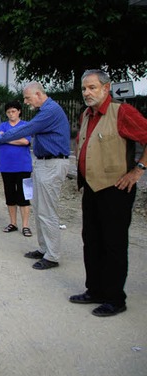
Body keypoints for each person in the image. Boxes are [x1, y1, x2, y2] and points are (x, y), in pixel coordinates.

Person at [68, 69, 147, 317]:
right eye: (84, 88)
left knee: (113, 244)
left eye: (92, 87)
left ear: (106, 87)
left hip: (115, 189)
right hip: (91, 188)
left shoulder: (122, 112)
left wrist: (138, 170)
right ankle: (95, 290)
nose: (87, 92)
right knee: (91, 241)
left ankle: (115, 298)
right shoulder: (86, 115)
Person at [0, 82, 71, 270]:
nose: (25, 102)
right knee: (40, 209)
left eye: (27, 98)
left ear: (38, 94)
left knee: (47, 211)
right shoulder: (45, 110)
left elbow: (25, 130)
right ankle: (44, 249)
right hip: (44, 162)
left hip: (52, 163)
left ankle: (52, 255)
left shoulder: (50, 111)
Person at [0, 100, 33, 237]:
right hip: (6, 166)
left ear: (19, 111)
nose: (11, 114)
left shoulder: (26, 125)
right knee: (10, 195)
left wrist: (6, 139)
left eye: (13, 111)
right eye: (9, 112)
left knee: (24, 196)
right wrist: (9, 139)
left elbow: (26, 141)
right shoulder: (2, 125)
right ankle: (13, 223)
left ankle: (25, 225)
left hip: (23, 166)